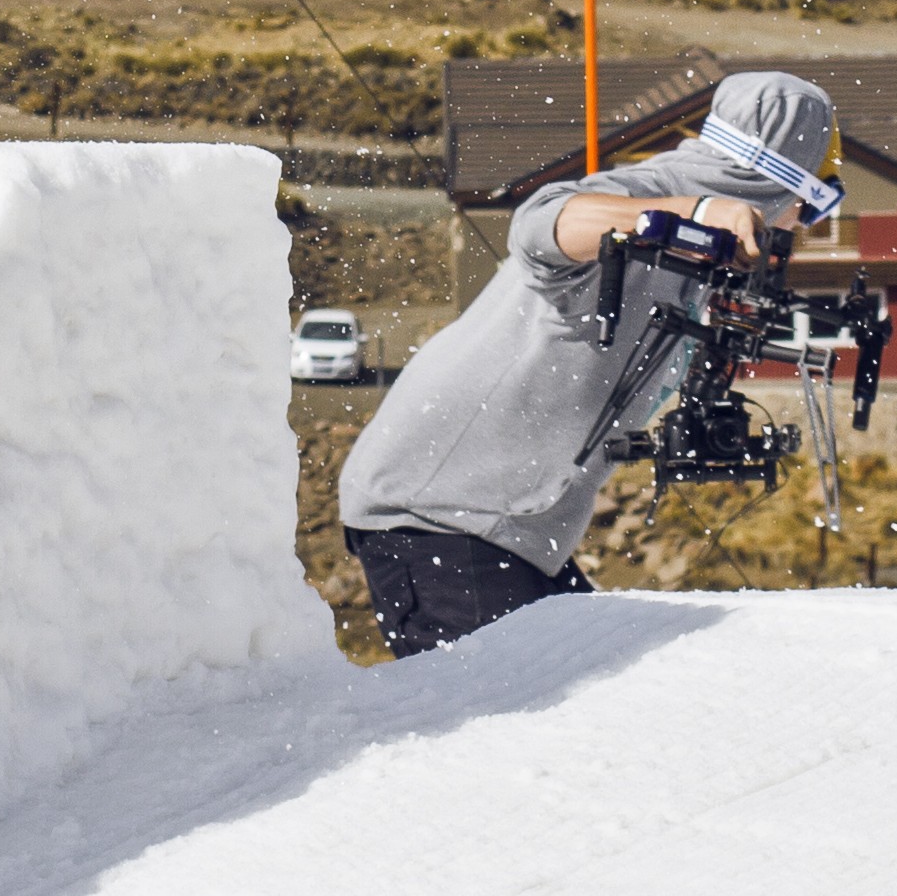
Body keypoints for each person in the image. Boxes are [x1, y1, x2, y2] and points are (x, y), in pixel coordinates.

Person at [334, 70, 846, 658]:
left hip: (511, 530)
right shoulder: (656, 195)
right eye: (813, 206)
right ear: (781, 185)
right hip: (437, 511)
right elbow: (540, 223)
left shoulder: (703, 256)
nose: (801, 227)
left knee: (594, 680)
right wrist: (692, 212)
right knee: (509, 705)